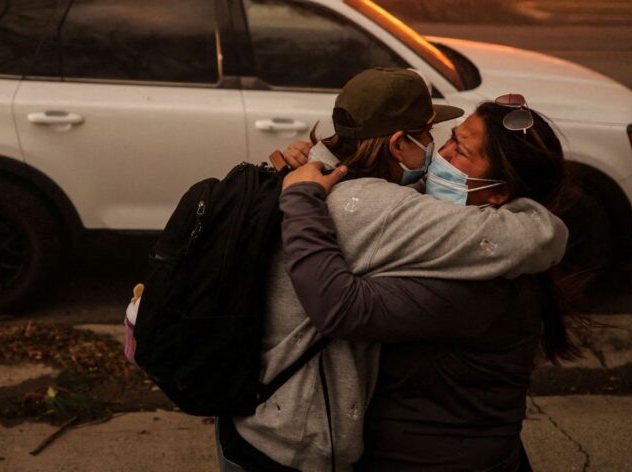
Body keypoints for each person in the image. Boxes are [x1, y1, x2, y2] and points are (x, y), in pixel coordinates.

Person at [217, 69, 568, 472]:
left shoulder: (477, 273)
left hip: (267, 423)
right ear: (400, 143)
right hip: (294, 445)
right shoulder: (396, 214)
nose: (442, 153)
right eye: (442, 137)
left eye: (459, 147)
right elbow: (398, 218)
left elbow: (350, 292)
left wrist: (307, 175)